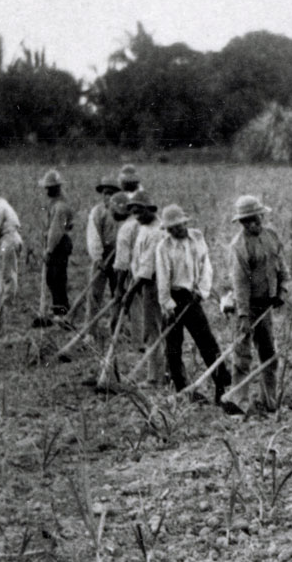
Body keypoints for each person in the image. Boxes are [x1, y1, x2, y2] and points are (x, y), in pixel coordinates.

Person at [152, 203, 236, 406]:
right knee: (173, 348)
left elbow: (206, 266)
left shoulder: (197, 237)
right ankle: (183, 391)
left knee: (207, 342)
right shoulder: (163, 247)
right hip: (172, 298)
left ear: (184, 223)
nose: (175, 230)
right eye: (170, 228)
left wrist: (202, 291)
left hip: (193, 296)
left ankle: (221, 386)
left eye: (178, 226)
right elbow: (162, 279)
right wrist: (168, 305)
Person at [226, 195, 286, 412]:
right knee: (242, 356)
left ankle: (269, 401)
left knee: (269, 354)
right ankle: (238, 401)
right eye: (246, 221)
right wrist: (243, 315)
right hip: (246, 306)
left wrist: (281, 290)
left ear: (262, 216)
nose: (253, 224)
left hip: (266, 305)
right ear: (241, 223)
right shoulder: (239, 246)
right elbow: (240, 283)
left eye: (255, 219)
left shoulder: (272, 236)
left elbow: (281, 265)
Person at [113, 188, 164, 379]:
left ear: (151, 209)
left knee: (154, 330)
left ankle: (155, 377)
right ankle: (159, 373)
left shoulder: (157, 232)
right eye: (133, 212)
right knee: (153, 329)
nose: (136, 216)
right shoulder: (144, 227)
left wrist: (130, 292)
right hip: (144, 284)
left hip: (153, 284)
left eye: (140, 211)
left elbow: (146, 269)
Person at [86, 166, 139, 324]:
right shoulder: (97, 212)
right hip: (102, 257)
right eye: (105, 193)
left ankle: (117, 323)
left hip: (120, 259)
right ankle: (91, 329)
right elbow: (93, 236)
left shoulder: (125, 211)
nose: (108, 196)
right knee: (94, 293)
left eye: (111, 193)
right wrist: (98, 257)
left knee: (118, 290)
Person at [40, 169, 74, 318]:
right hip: (58, 243)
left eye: (49, 187)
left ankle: (61, 310)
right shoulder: (57, 203)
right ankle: (59, 308)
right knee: (55, 278)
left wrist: (49, 250)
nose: (46, 190)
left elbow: (56, 231)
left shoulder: (60, 207)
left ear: (55, 188)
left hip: (58, 244)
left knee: (56, 278)